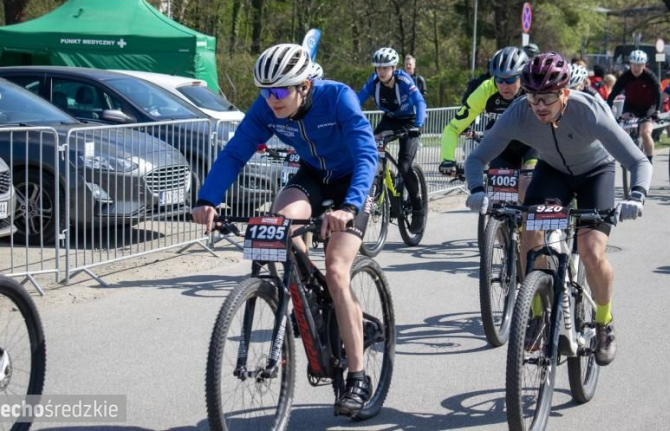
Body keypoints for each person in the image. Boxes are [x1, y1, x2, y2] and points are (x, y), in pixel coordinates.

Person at [192, 43, 378, 418]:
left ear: (304, 86)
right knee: (277, 224)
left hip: (351, 185)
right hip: (312, 177)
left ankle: (358, 376)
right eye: (264, 91)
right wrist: (208, 198)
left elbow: (366, 153)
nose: (270, 99)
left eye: (279, 92)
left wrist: (349, 207)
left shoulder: (338, 98)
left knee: (338, 269)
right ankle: (308, 298)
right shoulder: (266, 109)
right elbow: (235, 153)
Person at [464, 51, 652, 366]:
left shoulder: (589, 111)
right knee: (530, 238)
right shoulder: (518, 112)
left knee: (591, 250)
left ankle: (604, 323)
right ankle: (536, 314)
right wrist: (477, 190)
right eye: (533, 97)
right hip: (552, 174)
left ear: (564, 93)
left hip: (595, 173)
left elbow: (637, 160)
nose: (539, 106)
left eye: (548, 98)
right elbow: (476, 158)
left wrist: (637, 195)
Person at [438, 46, 537, 202]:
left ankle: (528, 224)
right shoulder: (486, 89)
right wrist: (447, 159)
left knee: (526, 189)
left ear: (522, 76)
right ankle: (500, 226)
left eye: (510, 79)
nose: (504, 85)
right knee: (495, 201)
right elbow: (452, 128)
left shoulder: (534, 89)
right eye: (499, 79)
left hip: (531, 145)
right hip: (502, 146)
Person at [358, 47, 427, 232]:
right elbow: (356, 102)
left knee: (404, 166)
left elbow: (420, 101)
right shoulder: (373, 83)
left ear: (394, 68)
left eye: (385, 68)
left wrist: (418, 125)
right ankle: (383, 189)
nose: (381, 71)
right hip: (389, 121)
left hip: (410, 122)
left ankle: (418, 208)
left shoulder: (404, 80)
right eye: (378, 68)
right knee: (370, 152)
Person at [606, 49, 662, 164]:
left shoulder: (649, 76)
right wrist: (608, 106)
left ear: (644, 65)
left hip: (648, 107)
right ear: (630, 64)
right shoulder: (625, 76)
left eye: (639, 65)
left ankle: (649, 160)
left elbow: (658, 93)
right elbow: (614, 93)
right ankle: (626, 156)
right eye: (634, 65)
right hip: (631, 106)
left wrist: (658, 111)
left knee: (645, 133)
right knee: (624, 132)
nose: (636, 68)